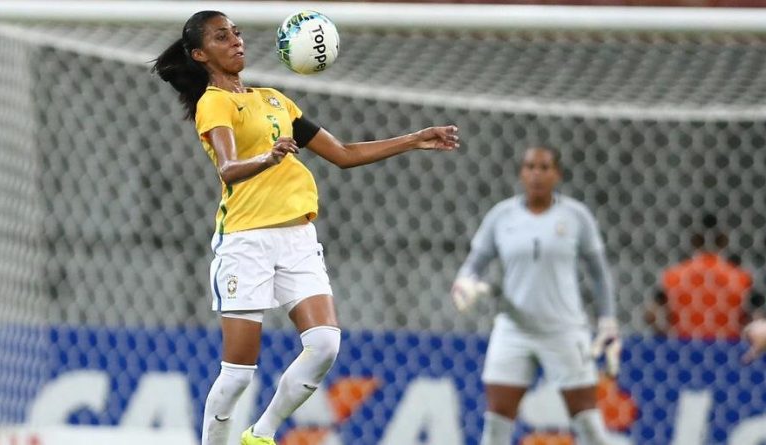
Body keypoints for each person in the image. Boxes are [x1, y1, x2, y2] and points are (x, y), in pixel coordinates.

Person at [152, 11, 459, 445]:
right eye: (222, 37)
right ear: (201, 54)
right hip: (246, 242)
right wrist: (268, 158)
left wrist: (412, 139)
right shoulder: (214, 103)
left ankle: (261, 434)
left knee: (325, 345)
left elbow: (344, 153)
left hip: (297, 238)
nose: (237, 40)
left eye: (237, 32)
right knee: (238, 376)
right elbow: (228, 168)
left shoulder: (276, 100)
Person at [451, 146, 619, 445]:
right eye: (530, 167)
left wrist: (608, 321)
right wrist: (464, 284)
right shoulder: (501, 216)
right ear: (521, 173)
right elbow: (472, 267)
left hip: (565, 330)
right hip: (514, 329)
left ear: (557, 174)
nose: (536, 174)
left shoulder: (576, 216)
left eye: (544, 167)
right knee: (495, 427)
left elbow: (599, 272)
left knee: (589, 426)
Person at [661, 215, 752, 340]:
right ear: (724, 240)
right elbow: (750, 318)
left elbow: (652, 315)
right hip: (728, 349)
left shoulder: (673, 276)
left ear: (694, 240)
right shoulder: (740, 278)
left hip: (683, 348)